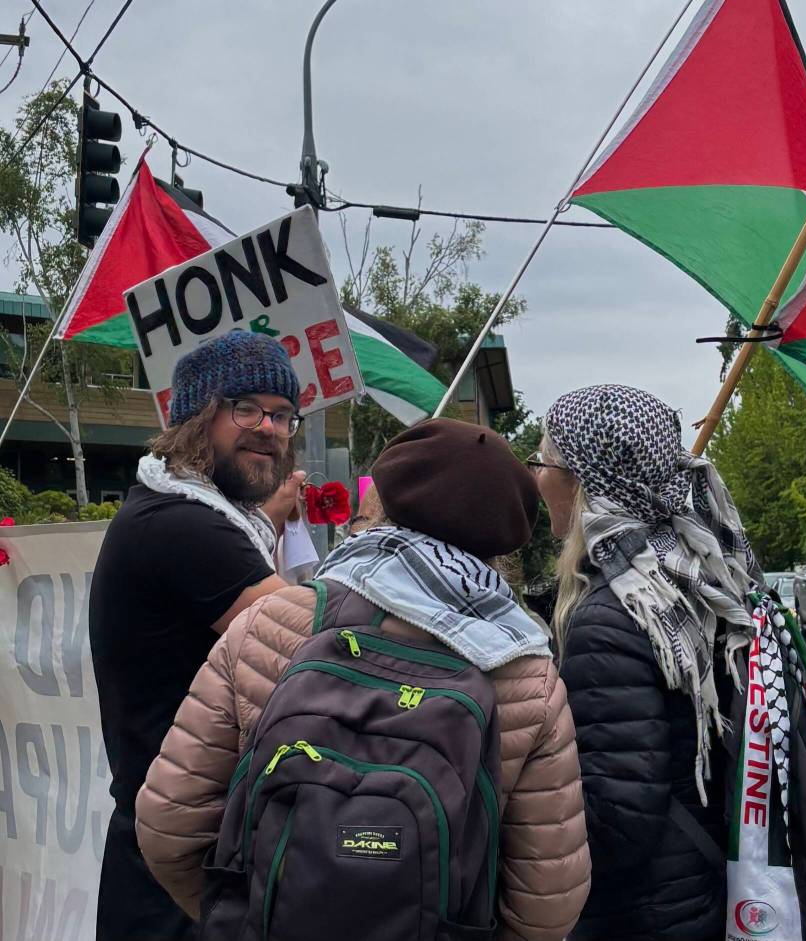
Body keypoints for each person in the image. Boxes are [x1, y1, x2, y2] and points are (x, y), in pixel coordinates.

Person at [134, 418, 591, 941]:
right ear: (504, 541)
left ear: (385, 502)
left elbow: (169, 824)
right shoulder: (529, 673)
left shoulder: (272, 622)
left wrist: (249, 913)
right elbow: (547, 902)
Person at [89, 331, 306, 941]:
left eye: (283, 415)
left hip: (174, 848)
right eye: (247, 408)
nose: (269, 428)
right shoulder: (183, 526)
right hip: (179, 870)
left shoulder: (182, 511)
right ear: (196, 417)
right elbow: (316, 643)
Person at [533, 384, 763, 941]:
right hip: (711, 884)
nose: (535, 477)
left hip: (646, 913)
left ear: (582, 482)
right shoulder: (707, 579)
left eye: (542, 461)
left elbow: (616, 819)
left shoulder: (612, 616)